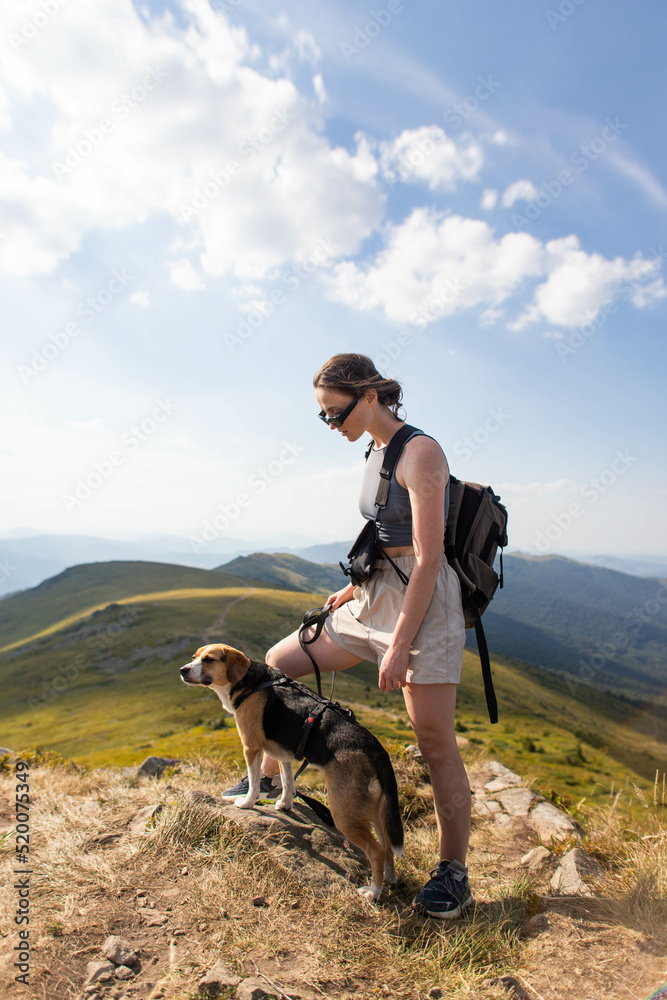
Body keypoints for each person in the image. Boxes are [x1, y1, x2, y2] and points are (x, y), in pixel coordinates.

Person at [222, 353, 471, 918]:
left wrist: (401, 642)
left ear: (370, 395)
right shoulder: (375, 449)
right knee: (278, 662)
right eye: (323, 418)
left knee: (434, 744)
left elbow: (430, 560)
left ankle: (452, 872)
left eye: (335, 413)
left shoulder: (422, 451)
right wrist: (353, 590)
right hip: (371, 596)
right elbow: (385, 532)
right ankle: (267, 778)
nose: (331, 426)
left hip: (422, 607)